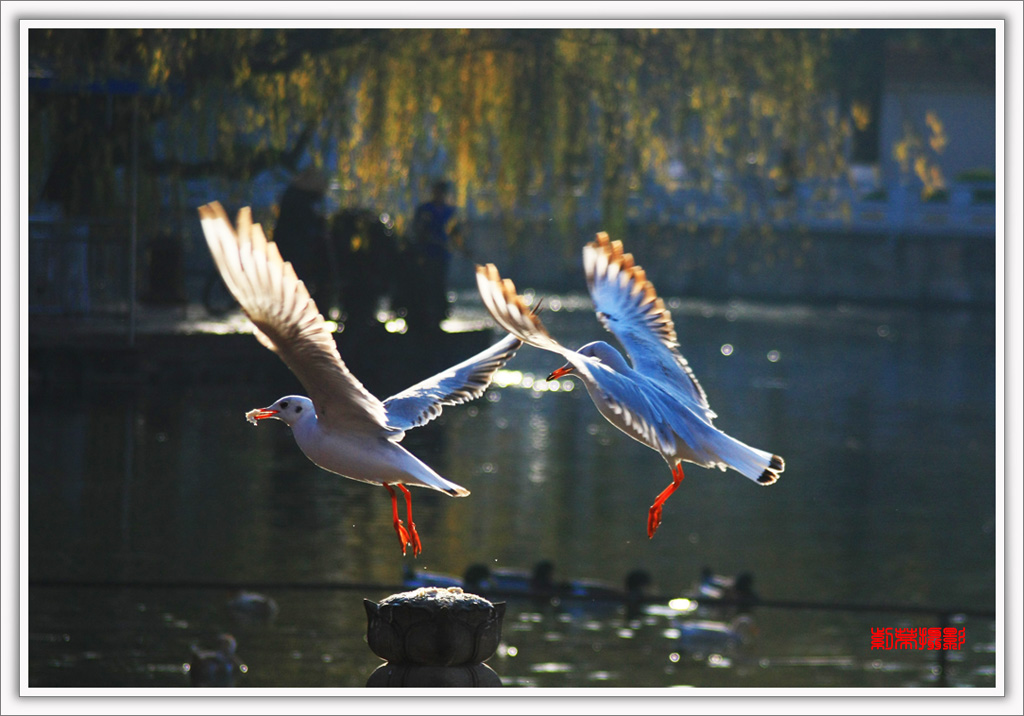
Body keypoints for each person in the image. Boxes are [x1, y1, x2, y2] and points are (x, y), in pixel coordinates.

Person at [408, 179, 466, 330]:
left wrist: (462, 247)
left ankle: (439, 315)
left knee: (439, 284)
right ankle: (425, 316)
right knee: (427, 284)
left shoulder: (450, 212)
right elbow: (417, 230)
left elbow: (455, 233)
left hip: (442, 255)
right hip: (426, 254)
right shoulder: (425, 210)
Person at [273, 167, 333, 310]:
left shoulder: (295, 196)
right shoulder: (301, 201)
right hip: (296, 248)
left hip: (290, 246)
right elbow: (304, 225)